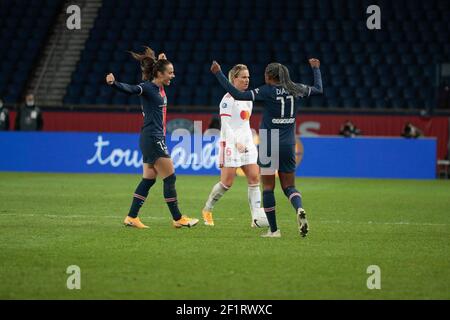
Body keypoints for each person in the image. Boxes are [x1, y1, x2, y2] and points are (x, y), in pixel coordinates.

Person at [211, 59, 323, 238]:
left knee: (268, 188)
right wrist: (316, 69)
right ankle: (299, 207)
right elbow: (318, 88)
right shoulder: (297, 88)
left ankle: (274, 230)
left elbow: (238, 95)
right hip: (288, 144)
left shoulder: (266, 91)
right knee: (289, 186)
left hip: (269, 143)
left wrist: (219, 74)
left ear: (270, 76)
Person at [106, 46, 198, 229]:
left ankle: (131, 217)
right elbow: (131, 89)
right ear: (160, 74)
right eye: (170, 73)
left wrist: (162, 61)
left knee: (148, 179)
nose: (173, 76)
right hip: (152, 138)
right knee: (170, 178)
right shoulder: (148, 88)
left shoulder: (159, 86)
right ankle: (178, 218)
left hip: (153, 138)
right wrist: (114, 83)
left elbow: (159, 71)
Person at [202, 64, 264, 227]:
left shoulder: (248, 98)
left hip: (247, 144)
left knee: (254, 178)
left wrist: (249, 138)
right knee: (226, 183)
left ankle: (256, 218)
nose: (247, 80)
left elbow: (244, 122)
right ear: (234, 79)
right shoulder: (227, 100)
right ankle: (207, 209)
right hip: (230, 144)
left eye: (248, 77)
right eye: (243, 77)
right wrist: (236, 142)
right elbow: (226, 125)